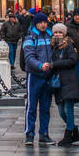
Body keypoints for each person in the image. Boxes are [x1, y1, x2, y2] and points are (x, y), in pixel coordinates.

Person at [23, 9, 55, 145]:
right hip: (35, 75)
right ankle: (30, 134)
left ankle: (44, 134)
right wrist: (40, 65)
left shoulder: (50, 37)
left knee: (45, 107)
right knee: (31, 106)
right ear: (35, 23)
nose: (43, 25)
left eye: (44, 22)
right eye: (40, 22)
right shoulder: (30, 38)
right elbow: (29, 57)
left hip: (47, 76)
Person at [50, 22, 79, 146]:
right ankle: (74, 130)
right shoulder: (53, 46)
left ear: (64, 33)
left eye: (60, 32)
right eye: (56, 32)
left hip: (69, 80)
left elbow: (73, 60)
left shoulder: (69, 45)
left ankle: (68, 135)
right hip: (58, 82)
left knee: (68, 110)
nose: (58, 34)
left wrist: (56, 64)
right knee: (61, 111)